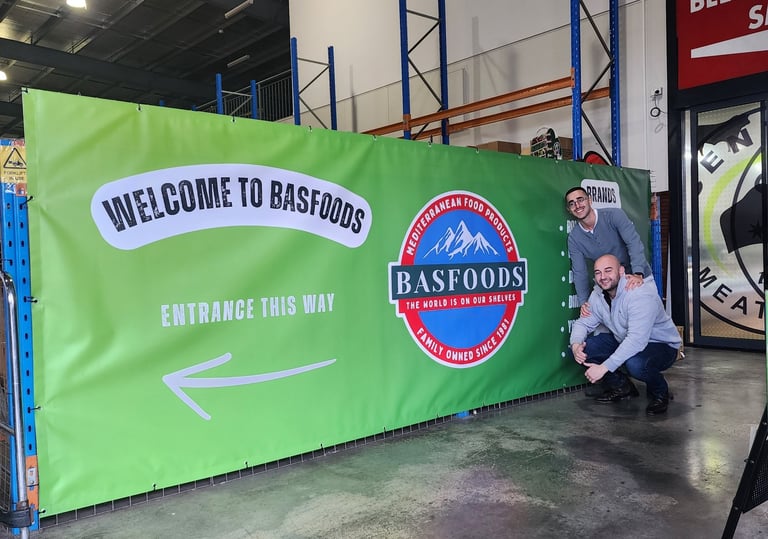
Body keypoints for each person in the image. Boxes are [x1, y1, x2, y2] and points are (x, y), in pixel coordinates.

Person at [569, 254, 681, 415]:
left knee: (635, 364)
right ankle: (622, 387)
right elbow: (583, 323)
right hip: (623, 339)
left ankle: (659, 392)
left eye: (608, 270)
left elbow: (636, 340)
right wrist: (575, 346)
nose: (603, 277)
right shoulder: (598, 294)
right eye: (598, 272)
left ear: (621, 271)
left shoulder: (639, 294)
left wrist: (603, 368)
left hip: (661, 345)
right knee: (585, 351)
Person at [564, 187, 653, 312]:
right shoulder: (574, 238)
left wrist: (638, 274)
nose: (577, 205)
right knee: (610, 323)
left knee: (646, 318)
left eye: (580, 200)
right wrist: (584, 302)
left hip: (637, 277)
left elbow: (634, 243)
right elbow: (580, 272)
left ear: (590, 200)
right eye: (572, 203)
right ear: (569, 209)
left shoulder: (614, 215)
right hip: (610, 288)